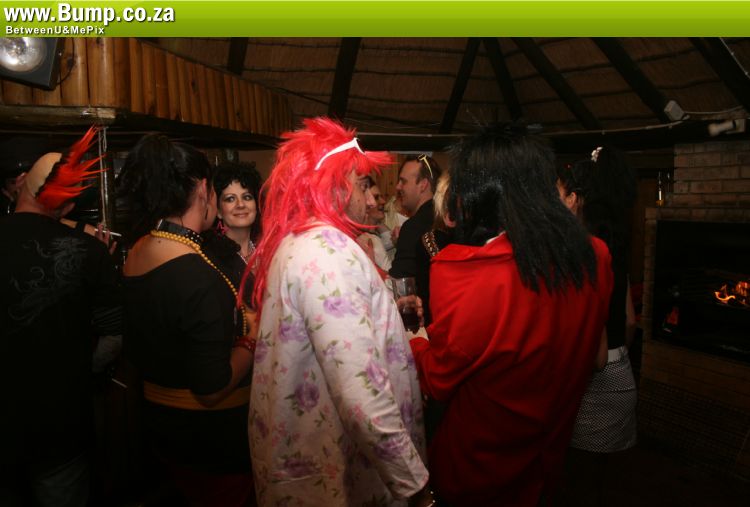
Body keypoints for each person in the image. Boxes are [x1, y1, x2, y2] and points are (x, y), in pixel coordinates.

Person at [409, 125, 613, 506]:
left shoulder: (467, 272)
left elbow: (438, 377)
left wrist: (414, 342)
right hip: (545, 466)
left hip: (476, 472)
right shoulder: (595, 257)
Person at [248, 117, 432, 507]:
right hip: (338, 478)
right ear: (332, 184)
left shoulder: (303, 241)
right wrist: (415, 488)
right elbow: (362, 394)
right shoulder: (328, 252)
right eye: (363, 184)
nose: (373, 199)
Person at [116, 134, 256, 506]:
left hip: (162, 431)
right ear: (202, 189)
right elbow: (211, 387)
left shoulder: (139, 250)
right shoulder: (196, 273)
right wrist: (253, 338)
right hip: (213, 444)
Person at [0, 127, 122, 506]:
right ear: (67, 207)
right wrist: (83, 372)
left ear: (20, 186)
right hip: (61, 427)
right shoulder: (89, 250)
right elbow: (114, 335)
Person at [558, 146, 638, 507]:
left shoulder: (582, 255)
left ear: (576, 200)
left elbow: (595, 354)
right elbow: (630, 321)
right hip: (623, 377)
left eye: (560, 195)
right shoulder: (615, 247)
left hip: (590, 380)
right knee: (598, 485)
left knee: (571, 483)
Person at [389, 154, 442, 325]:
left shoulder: (413, 226)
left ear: (423, 185)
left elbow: (399, 284)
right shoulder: (444, 219)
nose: (398, 186)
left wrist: (369, 263)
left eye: (403, 181)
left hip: (426, 323)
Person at [203, 161, 262, 306]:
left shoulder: (267, 249)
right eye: (230, 199)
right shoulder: (210, 258)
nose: (240, 205)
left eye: (247, 197)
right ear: (218, 211)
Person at [357, 176, 392, 273]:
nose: (383, 201)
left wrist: (376, 222)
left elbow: (390, 241)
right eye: (376, 198)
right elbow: (389, 278)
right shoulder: (370, 239)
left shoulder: (374, 236)